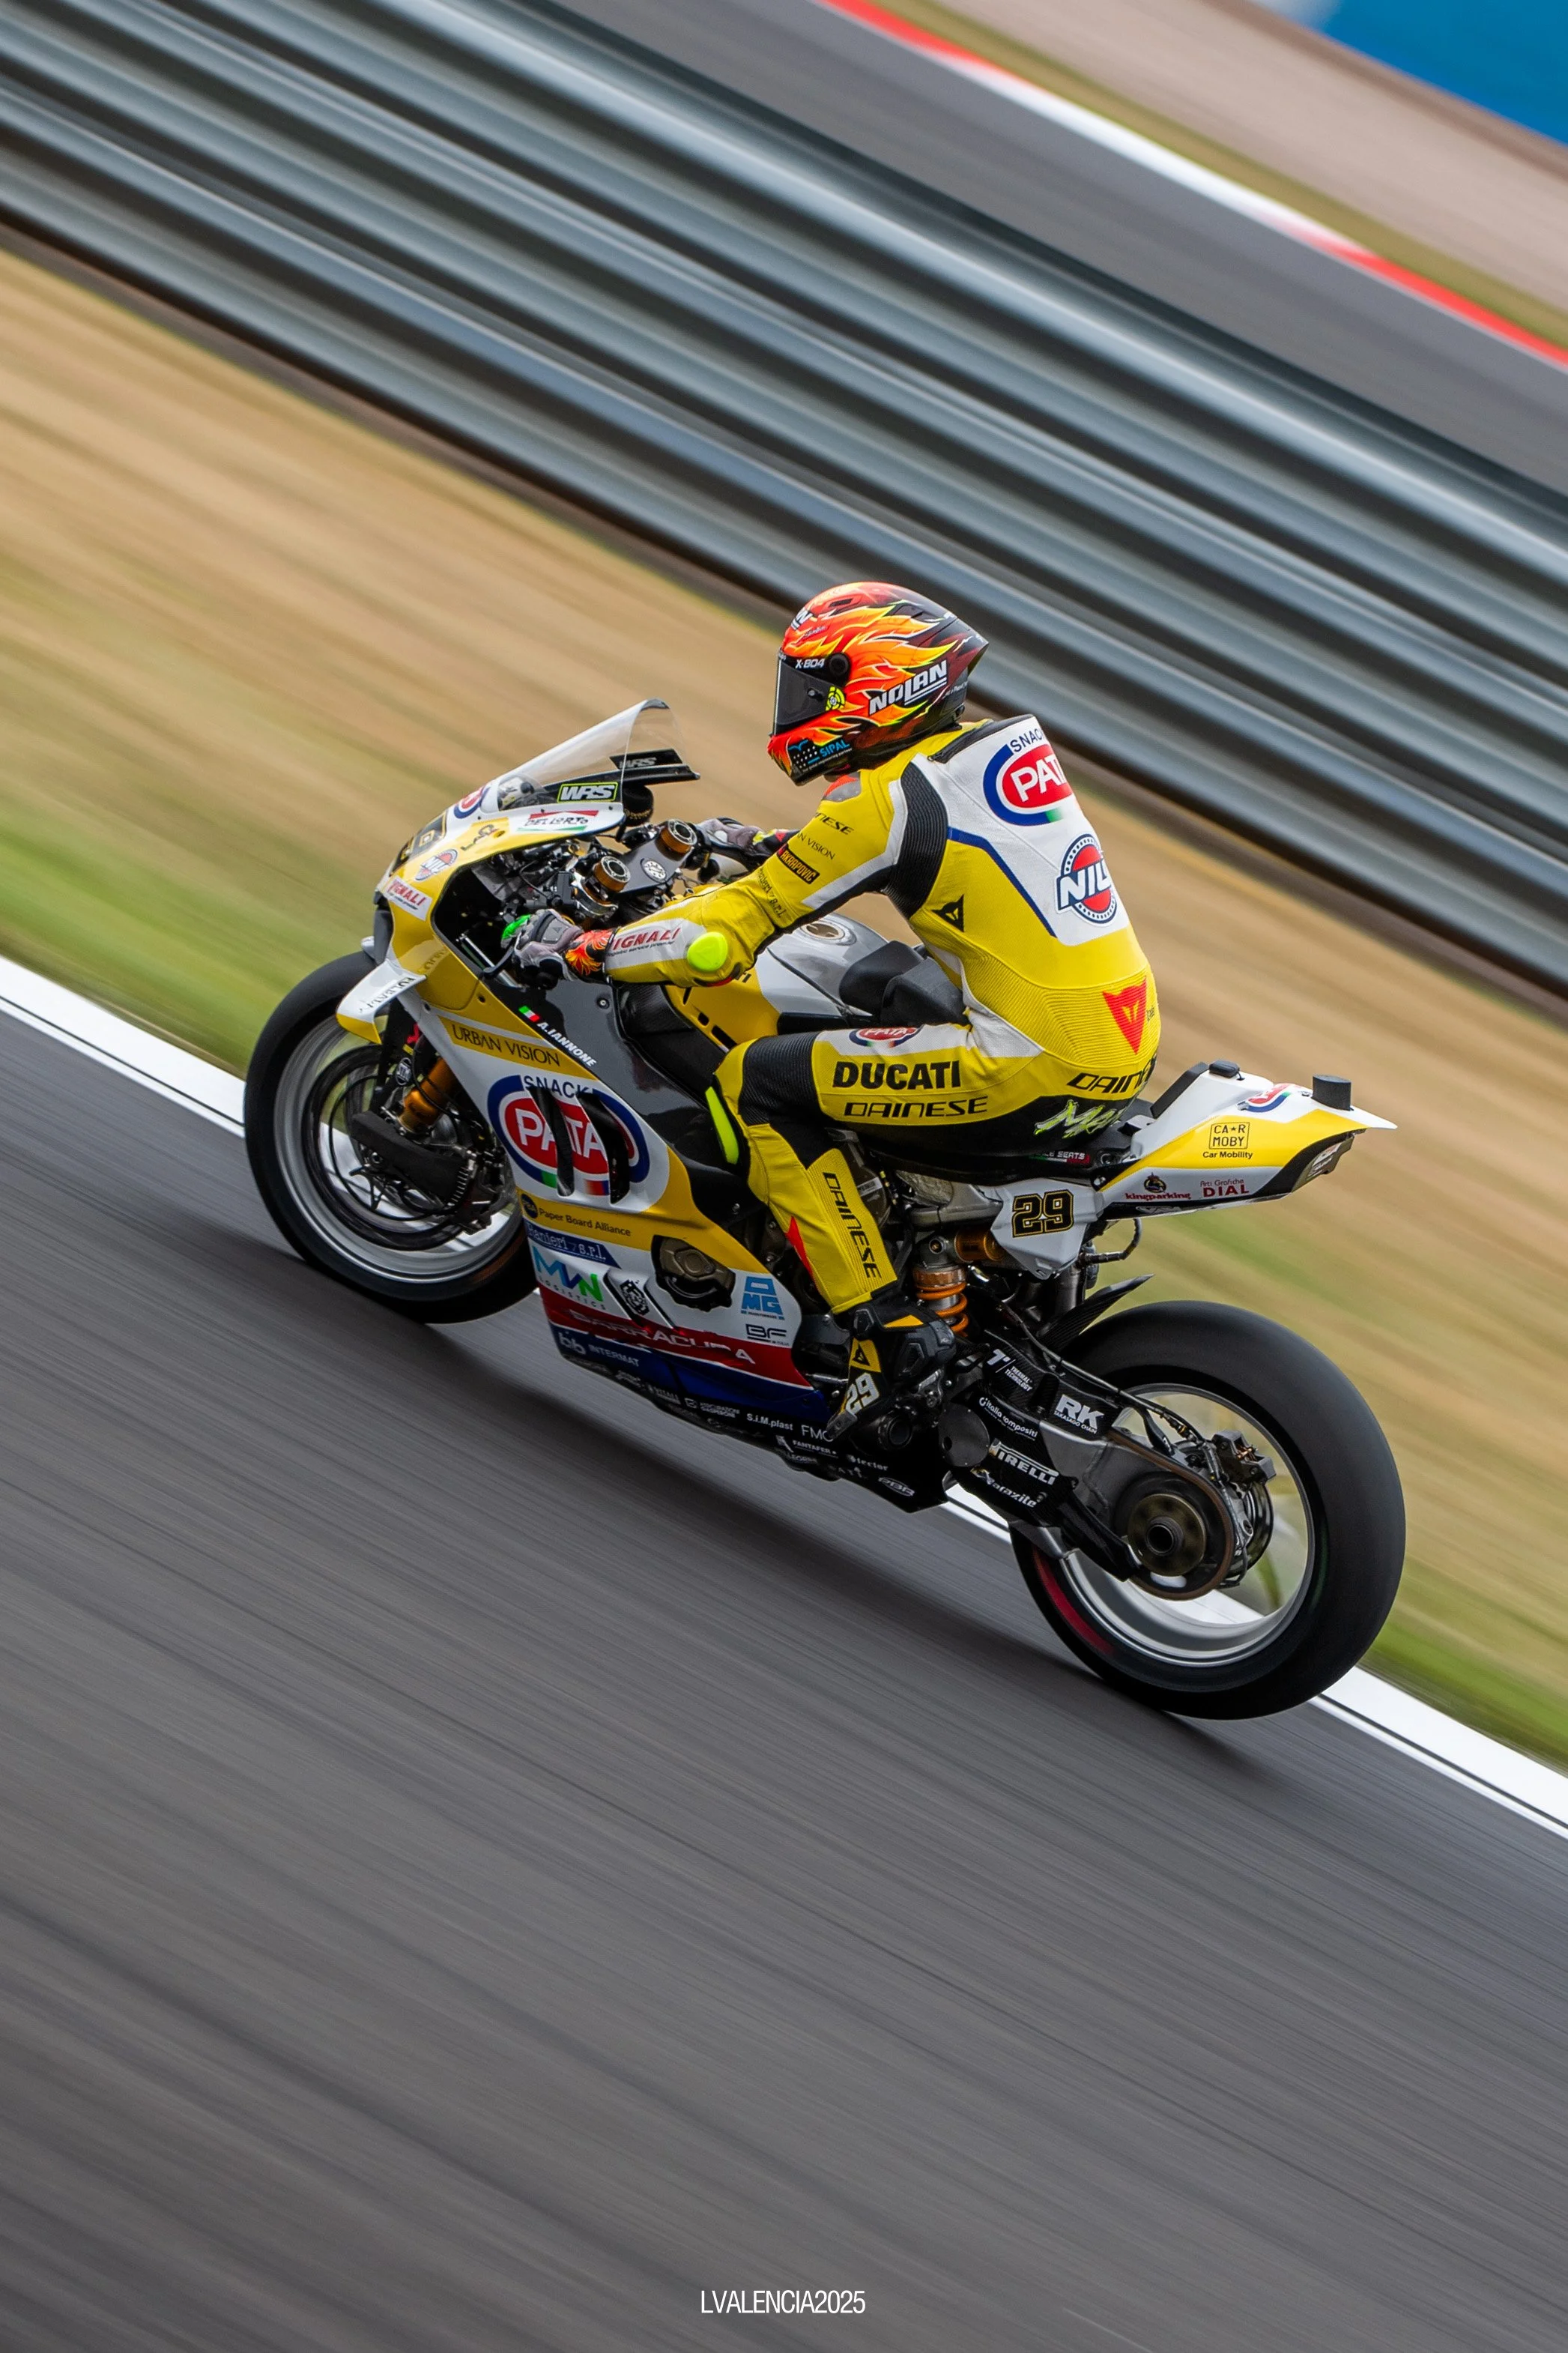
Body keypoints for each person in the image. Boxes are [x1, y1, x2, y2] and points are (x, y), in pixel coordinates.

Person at [578, 582, 1160, 1409]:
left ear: (879, 690)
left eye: (815, 689)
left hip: (1026, 1060)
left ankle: (881, 1325)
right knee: (875, 984)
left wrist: (589, 947)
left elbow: (718, 938)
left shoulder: (879, 800)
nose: (797, 708)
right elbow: (915, 849)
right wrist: (762, 843)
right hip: (1117, 1040)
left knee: (758, 1080)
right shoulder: (1000, 752)